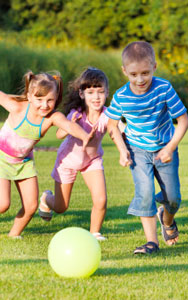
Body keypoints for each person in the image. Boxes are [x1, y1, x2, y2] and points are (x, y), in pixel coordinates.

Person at [0, 58, 95, 238]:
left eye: (50, 100)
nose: (44, 105)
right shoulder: (17, 107)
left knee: (30, 206)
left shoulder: (52, 117)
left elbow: (68, 125)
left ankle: (13, 236)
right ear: (30, 96)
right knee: (3, 204)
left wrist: (85, 136)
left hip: (24, 162)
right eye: (39, 99)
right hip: (0, 158)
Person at [105, 41, 188, 254]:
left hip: (164, 149)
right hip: (137, 151)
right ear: (125, 71)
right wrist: (123, 150)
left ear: (154, 67)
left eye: (145, 73)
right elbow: (111, 124)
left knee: (173, 198)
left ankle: (166, 220)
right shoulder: (121, 96)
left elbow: (183, 119)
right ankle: (152, 242)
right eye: (133, 74)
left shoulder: (163, 88)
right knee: (145, 193)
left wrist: (170, 148)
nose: (140, 79)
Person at [38, 67, 120, 241]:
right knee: (61, 207)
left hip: (92, 161)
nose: (96, 97)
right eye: (91, 92)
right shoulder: (76, 114)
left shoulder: (108, 114)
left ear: (107, 93)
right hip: (67, 161)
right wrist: (69, 125)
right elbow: (59, 134)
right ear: (82, 94)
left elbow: (116, 131)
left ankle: (94, 233)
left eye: (100, 92)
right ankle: (46, 198)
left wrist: (125, 147)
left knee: (101, 200)